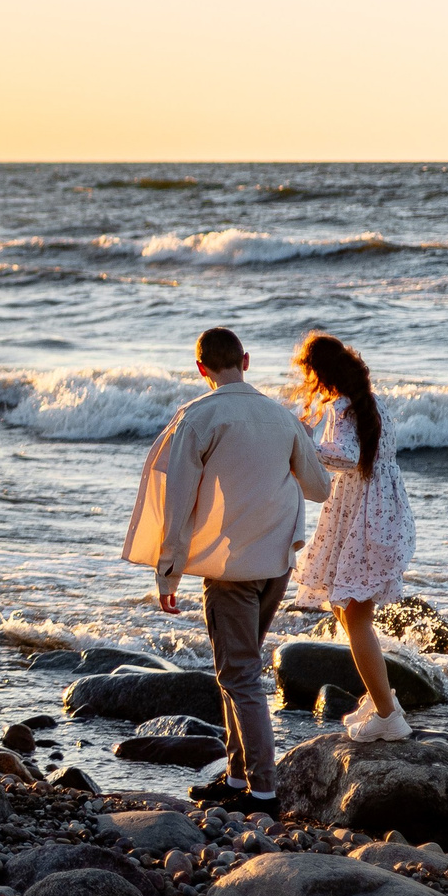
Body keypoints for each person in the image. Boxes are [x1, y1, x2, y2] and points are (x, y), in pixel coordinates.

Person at [122, 326, 332, 810]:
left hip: (232, 571)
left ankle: (263, 791)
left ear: (201, 368)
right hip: (276, 566)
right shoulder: (283, 418)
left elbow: (176, 504)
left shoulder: (198, 418)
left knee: (239, 677)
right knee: (235, 672)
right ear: (247, 360)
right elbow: (319, 488)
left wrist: (167, 572)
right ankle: (237, 780)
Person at [288, 330, 419, 742]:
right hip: (377, 514)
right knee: (346, 610)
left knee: (355, 614)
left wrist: (302, 447)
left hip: (367, 520)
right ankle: (383, 699)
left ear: (321, 374)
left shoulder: (345, 408)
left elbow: (346, 457)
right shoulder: (370, 404)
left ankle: (388, 717)